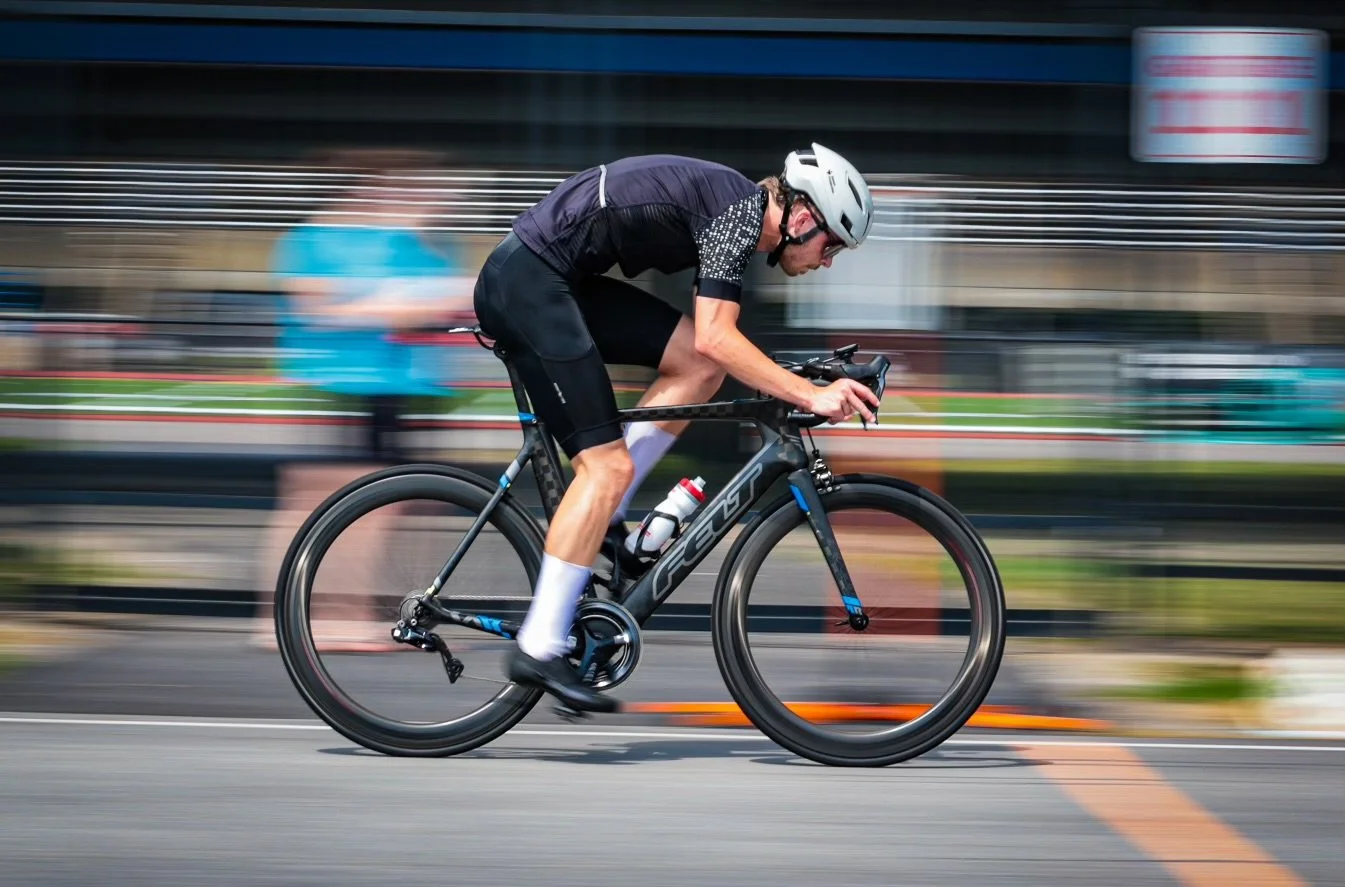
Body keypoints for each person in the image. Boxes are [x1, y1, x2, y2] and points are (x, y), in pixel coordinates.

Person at [472, 143, 881, 712]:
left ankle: (608, 523)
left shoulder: (735, 214)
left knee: (698, 366)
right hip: (529, 283)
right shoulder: (738, 212)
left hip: (554, 278)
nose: (829, 259)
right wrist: (810, 393)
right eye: (832, 244)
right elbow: (721, 333)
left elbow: (716, 349)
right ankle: (538, 646)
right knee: (606, 465)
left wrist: (802, 377)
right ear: (804, 218)